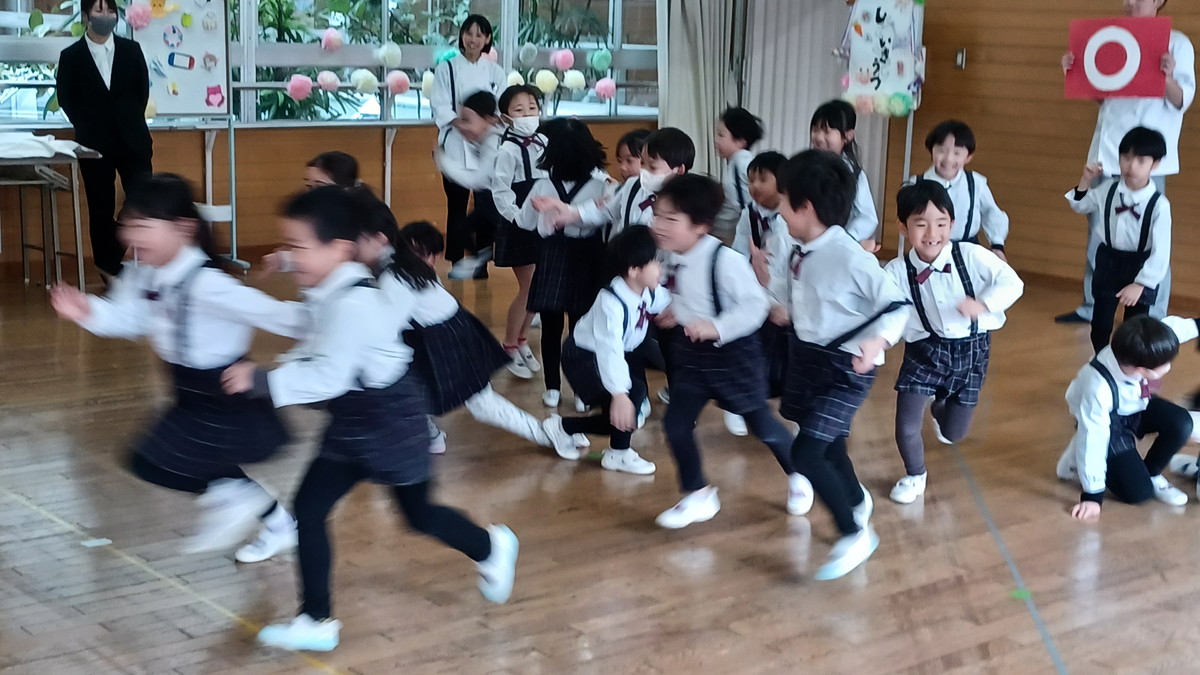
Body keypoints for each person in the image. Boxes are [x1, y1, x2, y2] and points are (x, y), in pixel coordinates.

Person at [223, 186, 517, 652]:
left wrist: (261, 379)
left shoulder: (355, 303)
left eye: (299, 247)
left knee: (418, 515)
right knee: (309, 509)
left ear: (339, 249)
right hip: (353, 420)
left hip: (391, 419)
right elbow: (305, 326)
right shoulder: (329, 292)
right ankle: (316, 619)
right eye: (289, 245)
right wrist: (238, 305)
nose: (291, 257)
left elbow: (328, 376)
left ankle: (490, 546)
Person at [49, 174, 301, 562]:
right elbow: (130, 318)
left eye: (143, 225)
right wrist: (88, 311)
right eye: (128, 225)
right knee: (157, 463)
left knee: (169, 462)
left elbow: (280, 317)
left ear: (183, 228)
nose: (131, 236)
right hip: (186, 390)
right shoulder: (143, 273)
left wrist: (332, 324)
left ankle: (253, 506)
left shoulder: (208, 284)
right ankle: (275, 520)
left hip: (225, 390)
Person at [772, 150, 909, 579]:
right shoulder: (800, 248)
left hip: (846, 370)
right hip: (807, 359)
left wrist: (877, 341)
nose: (778, 208)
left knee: (806, 452)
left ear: (806, 207)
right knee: (829, 445)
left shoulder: (850, 256)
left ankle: (853, 533)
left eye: (783, 200)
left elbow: (897, 304)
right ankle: (855, 497)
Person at [650, 174, 808, 530]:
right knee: (675, 424)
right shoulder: (668, 254)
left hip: (734, 355)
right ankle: (698, 493)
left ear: (701, 226)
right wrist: (676, 310)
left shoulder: (724, 261)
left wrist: (716, 327)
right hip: (692, 355)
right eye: (657, 216)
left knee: (762, 425)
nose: (659, 225)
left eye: (671, 219)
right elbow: (682, 291)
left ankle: (798, 472)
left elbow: (755, 306)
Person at [884, 180, 1024, 505]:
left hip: (972, 352)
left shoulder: (970, 255)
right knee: (906, 424)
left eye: (941, 223)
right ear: (903, 227)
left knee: (953, 433)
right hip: (924, 350)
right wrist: (878, 341)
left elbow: (1012, 282)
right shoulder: (896, 271)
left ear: (953, 224)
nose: (932, 233)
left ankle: (941, 405)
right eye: (921, 224)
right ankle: (915, 475)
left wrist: (984, 304)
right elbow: (884, 310)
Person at [1056, 0, 1194, 324]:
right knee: (1099, 232)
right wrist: (1078, 73)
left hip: (1148, 157)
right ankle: (1093, 305)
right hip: (1109, 151)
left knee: (1151, 236)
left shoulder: (1177, 42)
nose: (1131, 2)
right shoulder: (1110, 36)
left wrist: (1166, 77)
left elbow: (1182, 99)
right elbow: (1105, 97)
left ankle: (1152, 314)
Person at [394, 219, 574, 459]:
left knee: (482, 403)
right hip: (438, 335)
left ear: (434, 258)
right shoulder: (403, 274)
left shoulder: (403, 279)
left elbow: (391, 325)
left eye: (423, 253)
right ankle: (430, 434)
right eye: (411, 250)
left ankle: (546, 435)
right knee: (408, 384)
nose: (418, 257)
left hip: (450, 339)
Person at [542, 226, 667, 473]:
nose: (660, 268)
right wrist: (619, 394)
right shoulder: (611, 302)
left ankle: (564, 427)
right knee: (627, 403)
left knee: (623, 413)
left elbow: (669, 301)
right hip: (582, 358)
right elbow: (610, 350)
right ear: (634, 270)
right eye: (655, 262)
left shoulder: (647, 291)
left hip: (601, 357)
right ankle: (618, 453)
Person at [1056, 315, 1197, 520]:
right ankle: (1075, 457)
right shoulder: (1097, 387)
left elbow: (1177, 328)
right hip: (1107, 423)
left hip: (1137, 405)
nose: (1169, 367)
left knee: (1181, 423)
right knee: (1138, 493)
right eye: (1164, 364)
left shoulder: (1142, 344)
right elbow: (1093, 438)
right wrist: (1092, 496)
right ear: (1140, 368)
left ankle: (1152, 472)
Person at [55, 0, 153, 281]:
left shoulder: (131, 50)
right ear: (86, 15)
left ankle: (116, 248)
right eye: (99, 10)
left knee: (142, 199)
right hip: (94, 144)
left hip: (133, 140)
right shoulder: (71, 56)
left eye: (111, 10)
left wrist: (127, 120)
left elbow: (141, 93)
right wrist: (89, 125)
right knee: (100, 206)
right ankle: (107, 268)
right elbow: (66, 99)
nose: (107, 15)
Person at [517, 119, 610, 409]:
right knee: (582, 327)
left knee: (551, 326)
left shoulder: (542, 184)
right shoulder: (602, 186)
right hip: (589, 255)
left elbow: (525, 222)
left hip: (553, 254)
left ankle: (552, 388)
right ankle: (582, 390)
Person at [1065, 127, 1171, 353]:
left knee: (1136, 327)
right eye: (1126, 157)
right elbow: (1080, 205)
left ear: (1155, 164)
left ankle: (1130, 366)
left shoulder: (1159, 205)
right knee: (1100, 324)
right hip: (1109, 261)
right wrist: (1086, 180)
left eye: (1141, 160)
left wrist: (1141, 284)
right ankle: (1101, 360)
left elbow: (1161, 251)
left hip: (1140, 265)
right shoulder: (1108, 190)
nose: (1131, 166)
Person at [431, 14, 507, 275]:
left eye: (479, 34)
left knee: (484, 207)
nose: (473, 39)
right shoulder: (446, 68)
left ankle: (481, 263)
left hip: (485, 141)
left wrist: (484, 126)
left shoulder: (495, 71)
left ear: (487, 39)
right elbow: (439, 105)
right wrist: (462, 124)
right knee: (457, 206)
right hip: (455, 140)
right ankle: (456, 259)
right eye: (468, 33)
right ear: (461, 36)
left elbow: (501, 107)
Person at [490, 84, 548, 378]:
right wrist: (518, 218)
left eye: (532, 108)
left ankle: (522, 339)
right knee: (529, 288)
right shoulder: (507, 150)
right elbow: (500, 192)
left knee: (539, 287)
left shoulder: (545, 141)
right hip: (518, 223)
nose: (528, 114)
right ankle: (508, 346)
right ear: (506, 117)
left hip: (542, 219)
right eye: (519, 110)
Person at [434, 91, 502, 278]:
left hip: (500, 203)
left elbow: (476, 180)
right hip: (491, 200)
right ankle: (481, 257)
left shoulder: (494, 143)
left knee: (464, 229)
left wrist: (443, 161)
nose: (462, 126)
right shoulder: (485, 140)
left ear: (488, 120)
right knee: (460, 230)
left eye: (467, 120)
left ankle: (483, 256)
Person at [920, 120, 1010, 260]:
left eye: (957, 153)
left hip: (967, 252)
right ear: (931, 151)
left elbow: (992, 212)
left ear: (968, 157)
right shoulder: (916, 184)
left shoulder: (976, 183)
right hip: (928, 251)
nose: (948, 159)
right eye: (941, 151)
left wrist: (997, 245)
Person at [809, 100, 879, 253]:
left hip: (837, 248)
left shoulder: (854, 174)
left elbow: (868, 217)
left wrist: (846, 237)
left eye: (827, 132)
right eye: (815, 130)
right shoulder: (805, 167)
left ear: (848, 136)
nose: (819, 137)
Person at [713, 107, 764, 241]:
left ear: (740, 141)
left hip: (745, 231)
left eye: (721, 135)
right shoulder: (734, 162)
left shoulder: (743, 162)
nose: (716, 140)